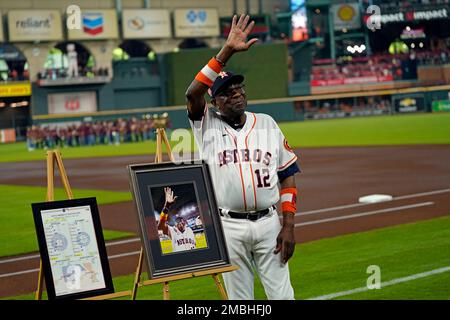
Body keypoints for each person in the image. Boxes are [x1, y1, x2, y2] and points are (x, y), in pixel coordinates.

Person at [185, 14, 300, 300]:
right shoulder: (205, 123)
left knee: (283, 297)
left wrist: (288, 227)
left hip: (269, 225)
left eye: (239, 89)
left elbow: (287, 177)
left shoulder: (267, 123)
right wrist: (227, 52)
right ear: (214, 103)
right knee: (240, 301)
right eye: (226, 93)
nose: (236, 94)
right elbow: (192, 92)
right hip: (228, 225)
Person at [157, 187, 197, 252]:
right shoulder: (173, 231)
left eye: (182, 221)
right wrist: (167, 206)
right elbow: (160, 226)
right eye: (178, 221)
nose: (180, 222)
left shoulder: (190, 230)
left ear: (185, 222)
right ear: (175, 224)